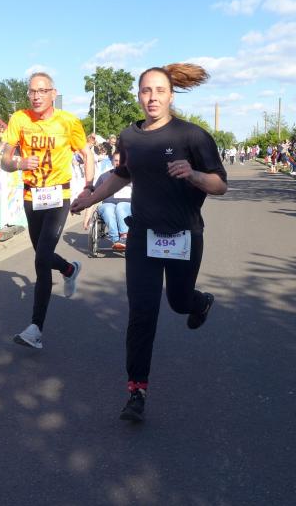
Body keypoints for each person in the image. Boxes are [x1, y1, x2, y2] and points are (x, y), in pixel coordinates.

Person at [71, 63, 227, 423]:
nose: (152, 97)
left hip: (184, 234)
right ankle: (136, 391)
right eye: (146, 91)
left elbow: (220, 184)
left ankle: (199, 302)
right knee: (142, 313)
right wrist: (91, 197)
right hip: (143, 236)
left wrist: (194, 174)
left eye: (159, 90)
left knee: (178, 301)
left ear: (171, 95)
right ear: (139, 96)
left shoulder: (193, 136)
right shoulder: (130, 136)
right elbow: (121, 175)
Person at [0, 71, 95, 350]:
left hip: (58, 195)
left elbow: (87, 154)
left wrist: (88, 188)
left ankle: (35, 329)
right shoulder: (19, 119)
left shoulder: (68, 121)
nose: (37, 96)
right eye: (32, 91)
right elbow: (4, 160)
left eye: (42, 91)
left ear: (54, 93)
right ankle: (69, 268)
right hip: (31, 195)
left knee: (41, 258)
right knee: (42, 255)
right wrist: (19, 163)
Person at [82, 151, 133, 251]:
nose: (119, 163)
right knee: (108, 208)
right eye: (116, 160)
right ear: (112, 161)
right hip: (108, 205)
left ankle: (124, 236)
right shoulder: (104, 177)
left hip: (127, 206)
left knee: (120, 206)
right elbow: (93, 197)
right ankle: (116, 239)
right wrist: (87, 217)